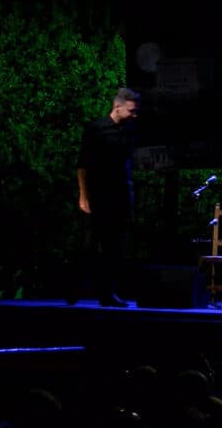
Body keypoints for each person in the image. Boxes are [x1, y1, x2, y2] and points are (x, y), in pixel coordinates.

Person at [72, 87, 140, 307]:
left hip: (119, 196)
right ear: (117, 107)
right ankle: (75, 286)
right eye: (131, 111)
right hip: (98, 195)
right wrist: (84, 196)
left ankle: (107, 293)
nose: (134, 115)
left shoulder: (129, 131)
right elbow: (83, 164)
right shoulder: (96, 129)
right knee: (89, 244)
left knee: (114, 247)